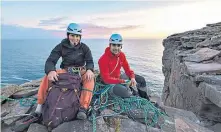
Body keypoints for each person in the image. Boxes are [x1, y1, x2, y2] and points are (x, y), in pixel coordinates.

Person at [35, 23, 95, 120]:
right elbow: (51, 60)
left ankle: (83, 108)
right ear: (68, 35)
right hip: (66, 71)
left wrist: (89, 70)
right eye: (72, 35)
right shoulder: (61, 46)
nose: (75, 38)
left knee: (89, 79)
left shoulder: (85, 48)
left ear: (80, 37)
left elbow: (89, 61)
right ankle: (40, 104)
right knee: (47, 78)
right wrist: (51, 71)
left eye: (77, 36)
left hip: (81, 71)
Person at [98, 34, 149, 100]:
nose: (116, 48)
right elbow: (106, 79)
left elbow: (128, 70)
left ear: (121, 46)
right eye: (114, 45)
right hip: (109, 84)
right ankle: (134, 94)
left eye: (118, 45)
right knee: (126, 92)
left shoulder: (121, 55)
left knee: (141, 80)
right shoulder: (103, 59)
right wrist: (123, 81)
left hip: (118, 78)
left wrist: (132, 78)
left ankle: (145, 99)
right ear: (110, 45)